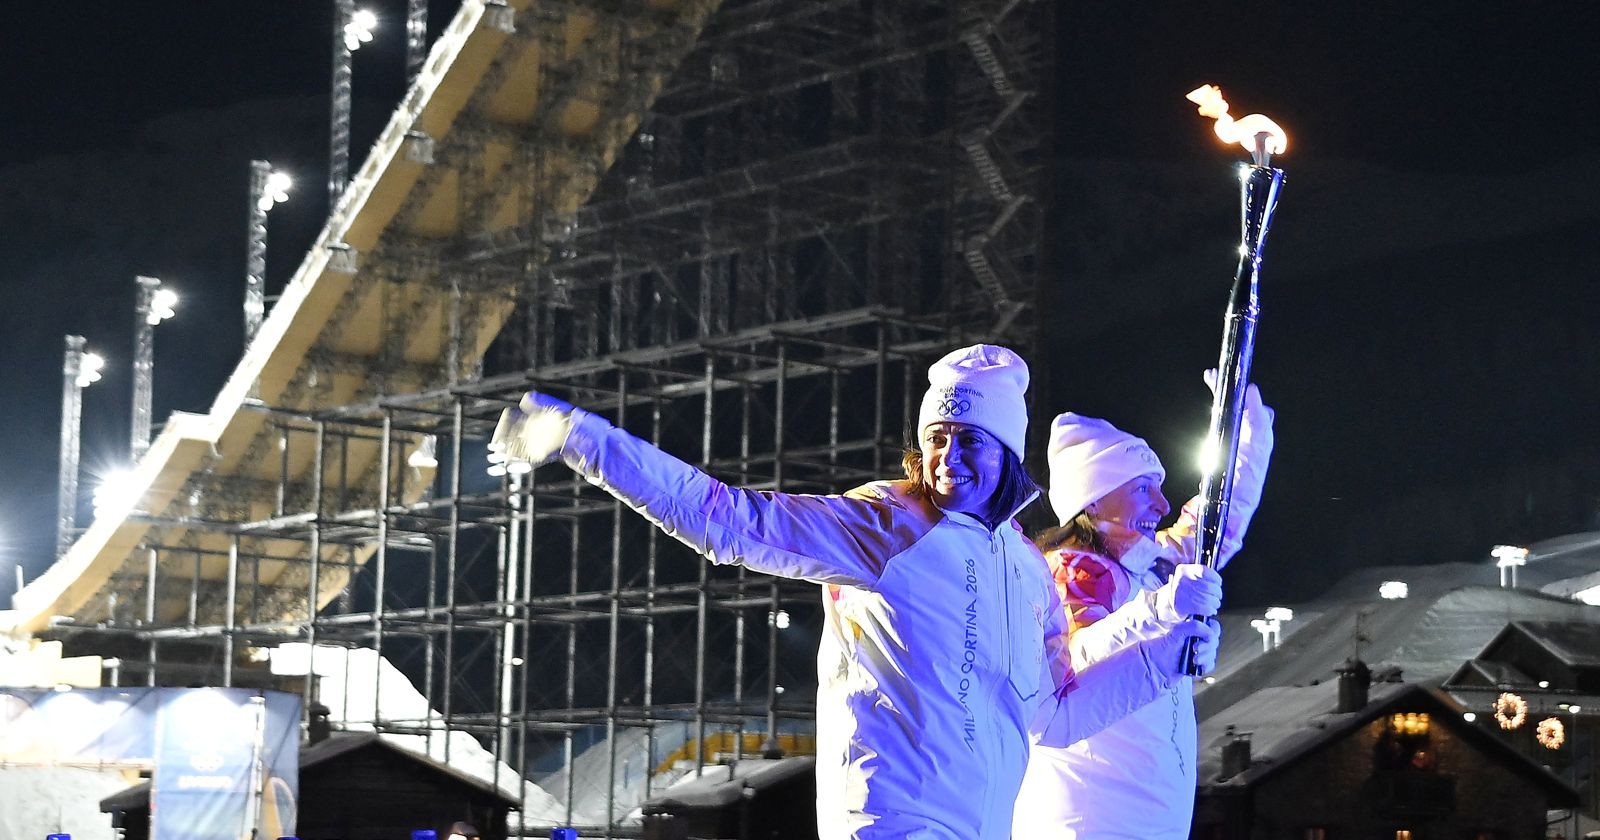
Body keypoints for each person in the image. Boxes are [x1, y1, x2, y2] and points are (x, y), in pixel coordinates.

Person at [492, 344, 1219, 840]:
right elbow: (727, 519)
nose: (947, 456)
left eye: (969, 439)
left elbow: (1054, 717)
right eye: (937, 437)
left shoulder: (1026, 569)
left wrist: (1164, 658)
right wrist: (584, 439)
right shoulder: (886, 524)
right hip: (890, 821)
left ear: (1005, 451)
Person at [1010, 376, 1274, 840]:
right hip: (1090, 819)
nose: (1162, 504)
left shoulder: (1149, 564)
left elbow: (1218, 524)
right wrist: (1159, 612)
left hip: (1149, 814)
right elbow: (1075, 656)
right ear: (1093, 501)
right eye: (1142, 489)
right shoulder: (1073, 571)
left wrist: (1248, 436)